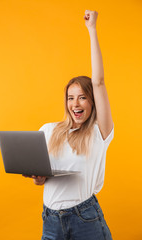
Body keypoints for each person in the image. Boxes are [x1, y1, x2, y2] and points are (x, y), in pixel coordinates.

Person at [23, 10, 114, 240]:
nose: (76, 103)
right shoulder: (48, 130)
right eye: (71, 97)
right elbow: (41, 179)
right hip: (50, 220)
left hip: (85, 219)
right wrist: (38, 178)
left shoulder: (99, 132)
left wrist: (91, 29)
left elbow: (99, 82)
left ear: (92, 102)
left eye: (83, 97)